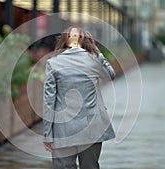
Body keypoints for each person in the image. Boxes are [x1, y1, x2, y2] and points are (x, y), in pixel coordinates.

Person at [43, 26, 116, 169]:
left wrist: (48, 135)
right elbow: (110, 75)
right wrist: (98, 52)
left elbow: (49, 102)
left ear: (64, 40)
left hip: (62, 130)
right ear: (85, 41)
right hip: (92, 128)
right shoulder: (93, 61)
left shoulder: (53, 63)